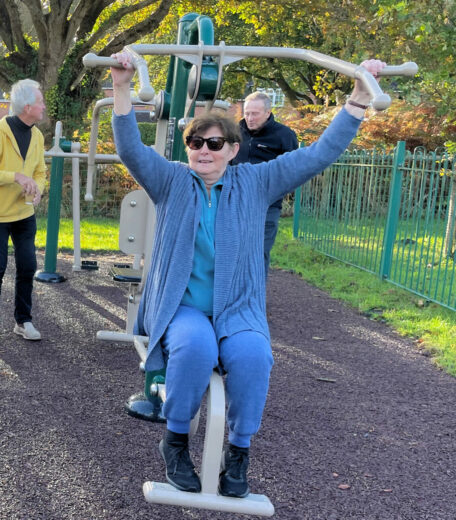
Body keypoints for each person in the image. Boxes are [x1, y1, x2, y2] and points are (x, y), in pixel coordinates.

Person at [108, 52, 386, 498]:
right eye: (197, 142)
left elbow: (318, 156)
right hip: (185, 307)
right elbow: (129, 150)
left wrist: (356, 101)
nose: (204, 150)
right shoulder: (172, 182)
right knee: (195, 348)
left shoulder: (256, 183)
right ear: (188, 147)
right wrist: (121, 87)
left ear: (233, 150)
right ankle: (175, 441)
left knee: (254, 356)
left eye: (215, 144)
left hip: (238, 307)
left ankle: (239, 452)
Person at [0, 78, 48, 343]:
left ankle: (23, 321)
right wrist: (15, 177)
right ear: (27, 106)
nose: (43, 106)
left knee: (28, 266)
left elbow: (39, 171)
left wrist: (37, 188)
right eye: (40, 101)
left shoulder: (37, 135)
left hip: (24, 213)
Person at [231, 91, 299, 272]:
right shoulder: (234, 133)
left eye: (255, 114)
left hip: (267, 204)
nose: (249, 118)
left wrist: (275, 192)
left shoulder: (284, 136)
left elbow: (291, 171)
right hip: (234, 201)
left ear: (267, 113)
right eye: (246, 113)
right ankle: (230, 296)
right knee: (231, 249)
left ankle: (255, 297)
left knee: (259, 251)